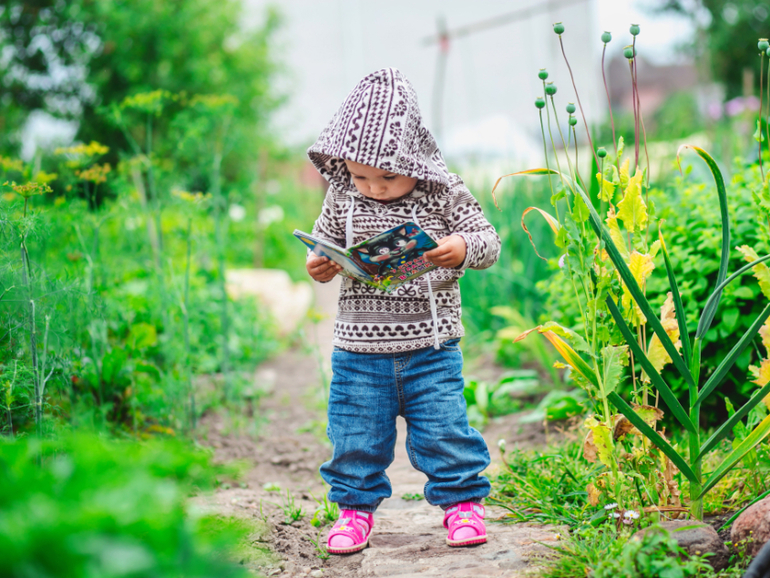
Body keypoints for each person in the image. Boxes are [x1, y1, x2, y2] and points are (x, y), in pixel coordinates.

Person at [305, 68, 500, 554]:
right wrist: (321, 262)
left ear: (413, 158)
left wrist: (459, 247)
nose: (374, 187)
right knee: (355, 434)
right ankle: (353, 512)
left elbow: (487, 240)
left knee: (444, 428)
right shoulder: (343, 193)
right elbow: (323, 241)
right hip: (359, 347)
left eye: (387, 176)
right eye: (361, 175)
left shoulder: (443, 191)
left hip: (429, 346)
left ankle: (462, 504)